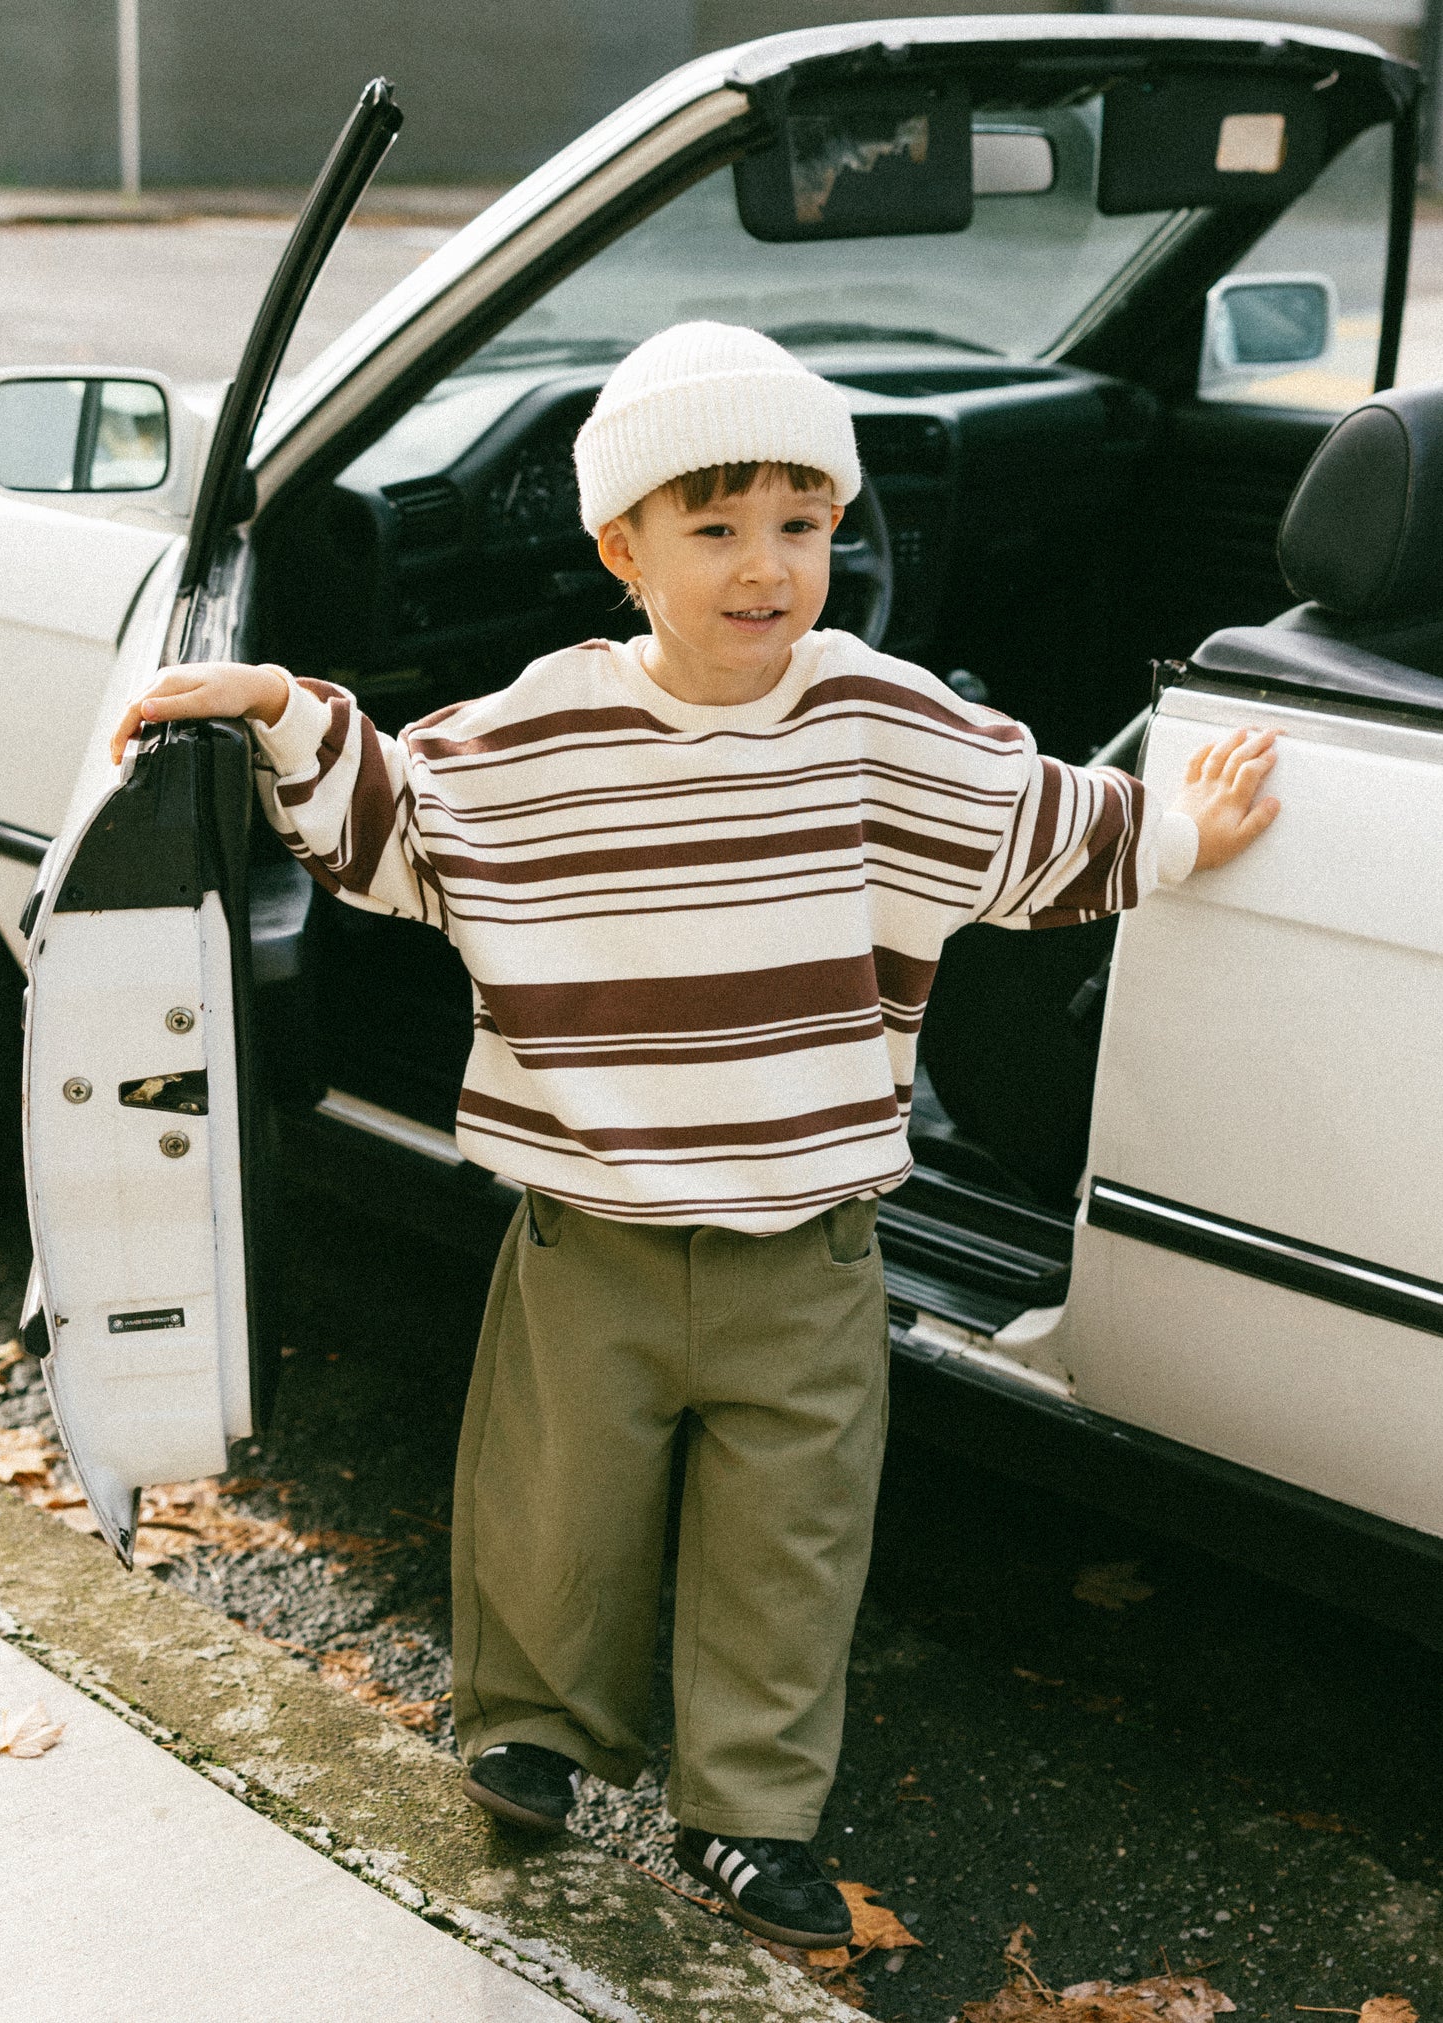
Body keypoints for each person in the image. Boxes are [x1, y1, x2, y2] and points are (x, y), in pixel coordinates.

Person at [112, 322, 1279, 1951]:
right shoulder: (542, 729)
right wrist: (276, 710)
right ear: (620, 550)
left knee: (785, 1543)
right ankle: (530, 1729)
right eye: (714, 526)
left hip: (806, 1244)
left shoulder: (876, 716)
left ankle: (750, 1812)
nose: (766, 570)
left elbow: (1027, 828)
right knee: (547, 1499)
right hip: (586, 1225)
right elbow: (397, 826)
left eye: (802, 525)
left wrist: (1175, 827)